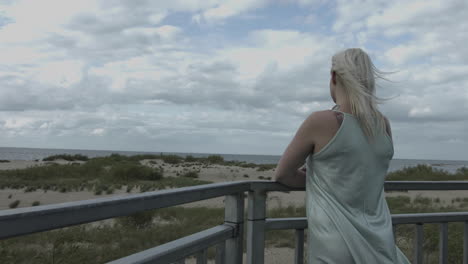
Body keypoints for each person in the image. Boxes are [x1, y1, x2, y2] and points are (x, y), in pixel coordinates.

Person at [274, 48, 411, 263]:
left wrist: (316, 177)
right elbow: (365, 174)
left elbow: (282, 175)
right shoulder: (382, 124)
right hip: (380, 242)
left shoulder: (320, 121)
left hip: (334, 246)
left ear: (334, 77)